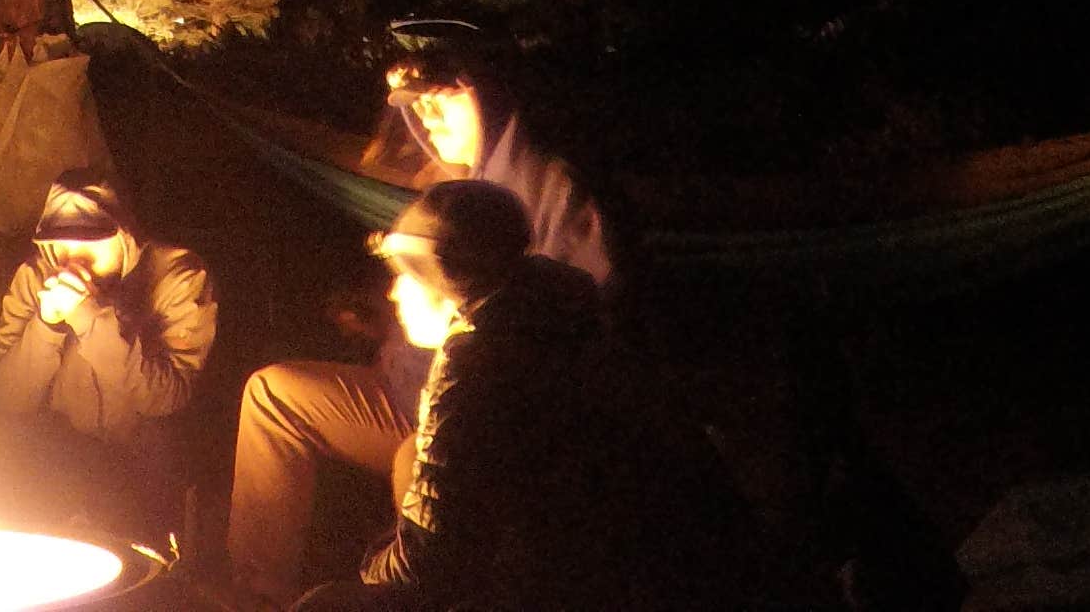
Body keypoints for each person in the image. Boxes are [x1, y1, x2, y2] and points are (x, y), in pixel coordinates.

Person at [227, 29, 614, 608]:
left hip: (494, 413)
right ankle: (256, 596)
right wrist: (384, 323)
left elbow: (574, 324)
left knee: (417, 465)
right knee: (275, 394)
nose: (428, 117)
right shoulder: (441, 182)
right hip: (411, 385)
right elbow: (427, 288)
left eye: (442, 96)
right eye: (415, 105)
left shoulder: (553, 190)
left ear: (489, 93)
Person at [291, 179, 748, 612]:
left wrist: (359, 577)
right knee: (412, 458)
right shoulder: (545, 301)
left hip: (612, 586)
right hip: (692, 554)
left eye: (407, 276)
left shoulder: (478, 364)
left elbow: (426, 567)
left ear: (449, 285)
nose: (393, 292)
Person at [0, 171, 222, 544]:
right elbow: (10, 399)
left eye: (90, 242)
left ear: (121, 235)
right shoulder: (34, 278)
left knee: (162, 442)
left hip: (140, 451)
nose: (73, 259)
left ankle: (157, 568)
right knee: (0, 440)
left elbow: (164, 399)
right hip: (66, 447)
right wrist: (47, 325)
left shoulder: (179, 277)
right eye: (61, 243)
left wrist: (87, 316)